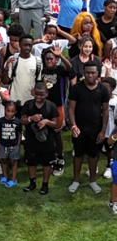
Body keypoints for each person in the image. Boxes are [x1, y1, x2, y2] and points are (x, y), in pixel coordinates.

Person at [69, 62, 110, 194]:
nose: (90, 75)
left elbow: (105, 111)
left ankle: (93, 181)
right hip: (79, 127)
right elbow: (71, 109)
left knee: (93, 155)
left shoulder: (103, 89)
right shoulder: (76, 88)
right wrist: (73, 125)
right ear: (83, 73)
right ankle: (76, 180)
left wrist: (103, 131)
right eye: (87, 72)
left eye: (93, 72)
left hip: (95, 128)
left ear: (98, 73)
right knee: (78, 154)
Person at [20, 82, 59, 195]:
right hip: (31, 140)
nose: (38, 97)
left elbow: (56, 124)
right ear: (33, 92)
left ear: (46, 94)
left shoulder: (51, 106)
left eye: (41, 94)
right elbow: (22, 120)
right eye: (36, 94)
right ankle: (32, 183)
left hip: (47, 141)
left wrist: (46, 121)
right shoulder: (28, 104)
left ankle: (45, 185)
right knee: (31, 162)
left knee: (47, 163)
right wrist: (31, 118)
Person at [41, 45, 72, 176]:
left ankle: (59, 158)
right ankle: (48, 155)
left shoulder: (60, 70)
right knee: (46, 132)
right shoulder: (43, 71)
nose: (49, 61)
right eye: (47, 59)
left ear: (56, 60)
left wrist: (61, 56)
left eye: (51, 59)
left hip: (58, 106)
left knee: (57, 134)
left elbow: (69, 67)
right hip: (44, 106)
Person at [4, 35, 42, 108]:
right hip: (14, 100)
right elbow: (5, 81)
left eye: (30, 45)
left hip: (30, 101)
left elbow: (39, 81)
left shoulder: (38, 61)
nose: (27, 47)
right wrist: (6, 68)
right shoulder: (13, 60)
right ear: (20, 45)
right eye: (25, 45)